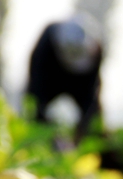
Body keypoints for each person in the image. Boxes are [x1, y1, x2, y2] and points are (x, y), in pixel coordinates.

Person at [27, 15, 103, 144]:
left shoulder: (96, 49)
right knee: (34, 114)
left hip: (82, 81)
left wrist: (81, 130)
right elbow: (35, 94)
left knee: (93, 119)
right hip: (51, 78)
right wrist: (49, 132)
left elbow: (92, 94)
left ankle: (97, 154)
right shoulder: (44, 47)